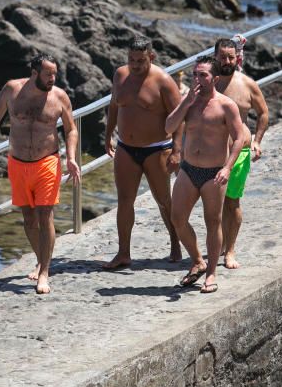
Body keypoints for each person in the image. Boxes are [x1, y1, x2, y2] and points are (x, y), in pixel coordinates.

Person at [0, 53, 82, 295]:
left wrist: (71, 158)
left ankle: (44, 272)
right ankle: (41, 259)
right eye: (48, 74)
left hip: (47, 162)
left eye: (55, 74)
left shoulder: (59, 97)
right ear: (35, 73)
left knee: (45, 216)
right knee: (29, 219)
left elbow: (71, 129)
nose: (53, 78)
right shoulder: (12, 90)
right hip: (18, 163)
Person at [165, 56, 245, 294]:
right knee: (177, 218)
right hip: (189, 169)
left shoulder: (225, 105)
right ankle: (197, 260)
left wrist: (227, 167)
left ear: (214, 78)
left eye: (203, 75)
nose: (198, 79)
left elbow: (239, 137)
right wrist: (185, 102)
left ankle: (211, 273)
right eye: (195, 75)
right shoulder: (188, 102)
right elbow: (168, 127)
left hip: (214, 172)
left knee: (213, 222)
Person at [102, 37, 183, 269]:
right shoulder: (120, 75)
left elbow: (179, 119)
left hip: (156, 149)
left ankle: (176, 243)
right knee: (125, 200)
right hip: (126, 148)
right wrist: (108, 135)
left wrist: (177, 150)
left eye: (140, 60)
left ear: (151, 57)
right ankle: (123, 253)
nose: (135, 65)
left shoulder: (164, 81)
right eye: (131, 60)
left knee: (164, 200)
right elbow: (115, 105)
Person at [213, 36, 269, 270]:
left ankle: (230, 250)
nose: (227, 61)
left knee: (232, 202)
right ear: (215, 56)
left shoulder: (247, 84)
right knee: (213, 205)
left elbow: (263, 113)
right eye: (222, 57)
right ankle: (216, 246)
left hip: (238, 153)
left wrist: (256, 141)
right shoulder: (209, 82)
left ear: (237, 57)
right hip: (210, 154)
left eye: (231, 57)